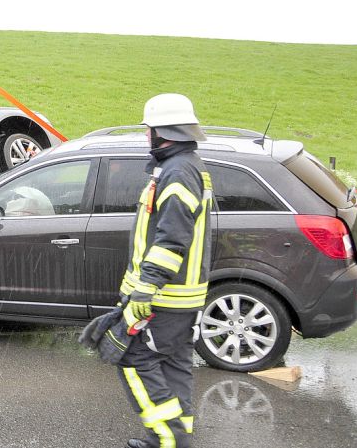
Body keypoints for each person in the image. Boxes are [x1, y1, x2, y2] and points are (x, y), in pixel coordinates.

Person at [116, 93, 213, 448]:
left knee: (133, 359)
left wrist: (146, 288)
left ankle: (167, 438)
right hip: (180, 297)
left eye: (149, 131)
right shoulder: (184, 165)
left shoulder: (178, 171)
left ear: (161, 132)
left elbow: (172, 240)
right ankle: (174, 440)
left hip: (166, 298)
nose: (146, 137)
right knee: (173, 367)